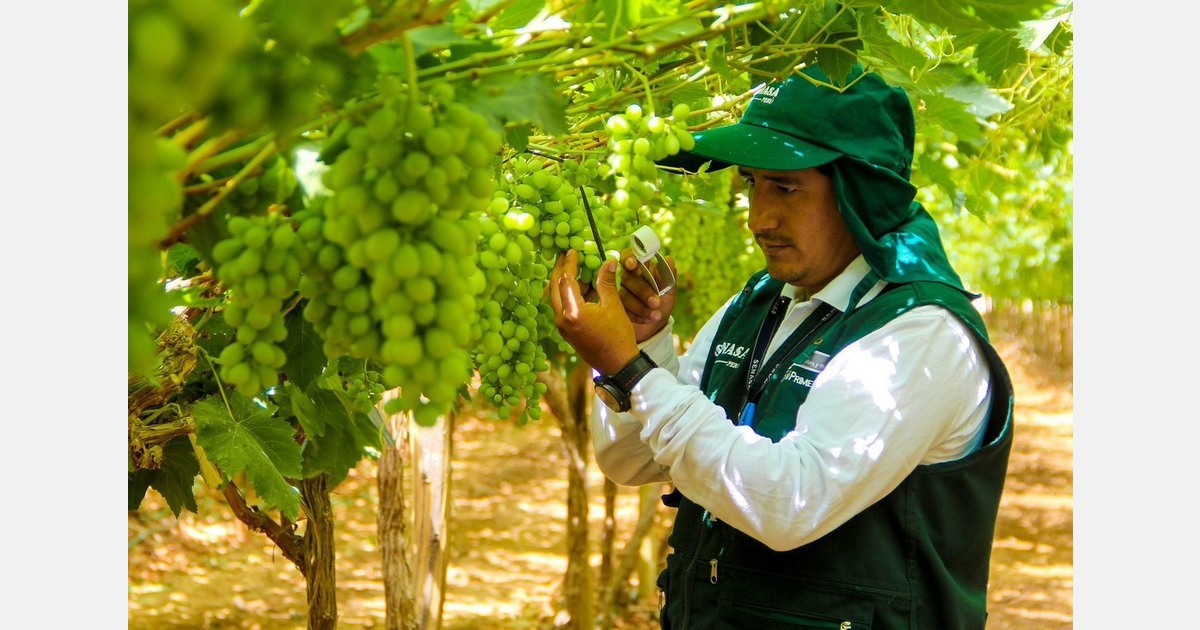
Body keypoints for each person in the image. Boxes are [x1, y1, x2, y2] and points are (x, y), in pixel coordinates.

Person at [548, 64, 1014, 629]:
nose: (757, 219)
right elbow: (632, 459)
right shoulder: (757, 306)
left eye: (786, 188)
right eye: (752, 183)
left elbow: (789, 503)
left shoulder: (919, 336)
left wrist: (634, 371)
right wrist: (649, 353)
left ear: (859, 193)